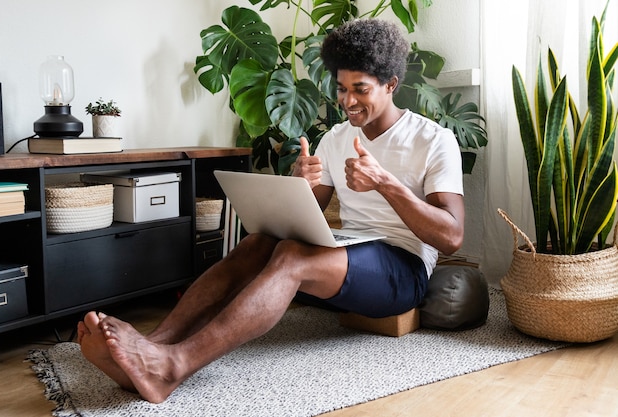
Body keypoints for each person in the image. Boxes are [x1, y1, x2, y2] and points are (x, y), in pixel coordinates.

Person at [77, 18, 465, 404]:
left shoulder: (433, 140)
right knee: (260, 243)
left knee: (292, 257)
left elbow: (450, 236)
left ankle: (173, 366)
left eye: (360, 90)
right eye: (342, 88)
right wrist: (301, 184)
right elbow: (310, 213)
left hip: (402, 271)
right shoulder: (335, 137)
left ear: (390, 85)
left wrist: (386, 183)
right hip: (347, 258)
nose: (347, 101)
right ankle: (150, 347)